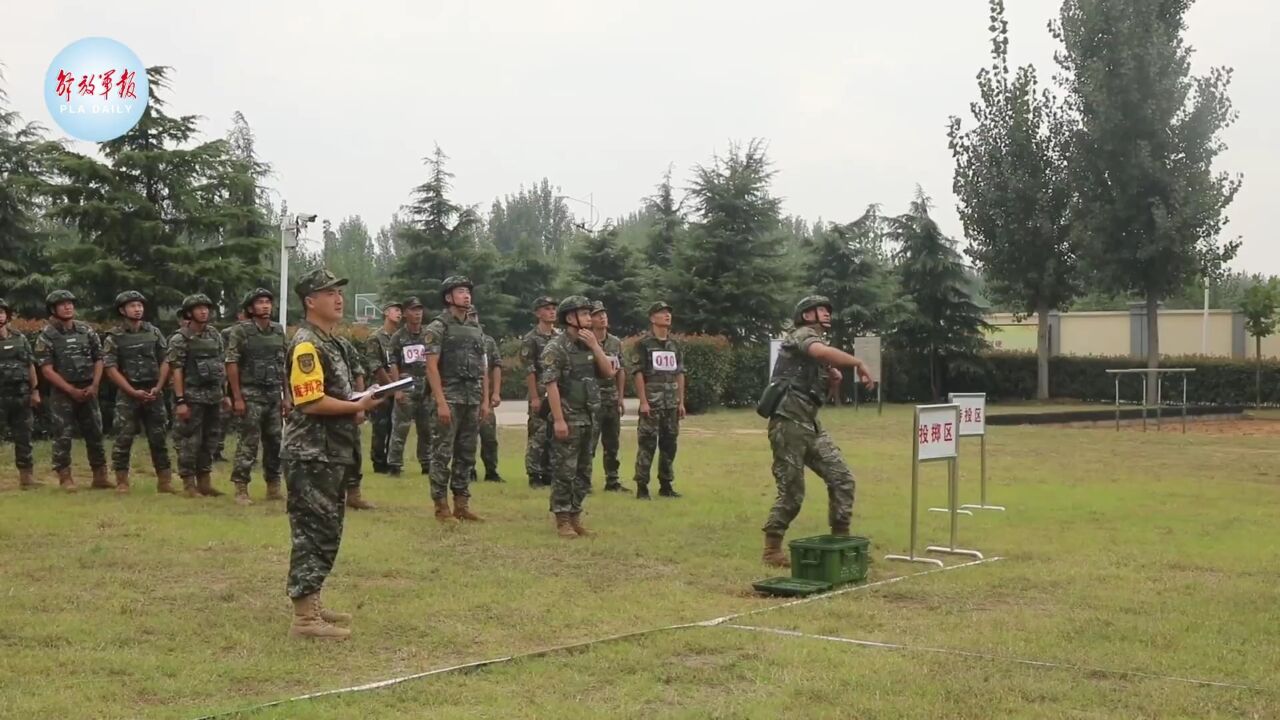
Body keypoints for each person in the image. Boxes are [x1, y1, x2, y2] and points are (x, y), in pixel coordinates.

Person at [282, 268, 384, 640]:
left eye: (340, 291)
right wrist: (359, 406)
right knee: (312, 532)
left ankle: (313, 603)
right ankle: (305, 619)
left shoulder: (332, 342)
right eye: (328, 292)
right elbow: (309, 401)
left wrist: (358, 403)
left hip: (329, 451)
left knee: (326, 530)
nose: (338, 298)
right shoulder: (307, 344)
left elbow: (334, 396)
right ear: (310, 301)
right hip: (311, 453)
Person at [760, 295, 875, 568]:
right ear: (807, 315)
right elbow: (820, 352)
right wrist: (858, 363)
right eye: (820, 309)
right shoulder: (802, 335)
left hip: (810, 424)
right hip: (788, 422)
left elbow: (821, 382)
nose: (826, 313)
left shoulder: (816, 348)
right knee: (792, 491)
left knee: (842, 478)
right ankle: (772, 548)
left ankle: (841, 539)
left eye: (827, 310)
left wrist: (832, 378)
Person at [542, 296, 615, 537]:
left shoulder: (589, 344)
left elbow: (608, 374)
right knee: (565, 470)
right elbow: (551, 385)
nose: (590, 318)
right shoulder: (556, 347)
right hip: (568, 417)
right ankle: (562, 518)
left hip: (589, 417)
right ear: (570, 318)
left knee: (583, 470)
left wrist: (596, 346)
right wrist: (559, 419)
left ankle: (575, 516)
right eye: (584, 314)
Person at [423, 276, 490, 522]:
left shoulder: (475, 328)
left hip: (472, 399)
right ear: (449, 297)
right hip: (449, 398)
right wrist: (440, 402)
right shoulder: (437, 327)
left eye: (468, 291)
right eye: (460, 291)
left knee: (467, 453)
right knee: (442, 453)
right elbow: (431, 367)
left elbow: (483, 366)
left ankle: (461, 504)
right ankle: (441, 507)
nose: (466, 295)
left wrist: (484, 401)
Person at [35, 290, 108, 492]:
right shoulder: (47, 336)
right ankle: (65, 477)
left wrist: (94, 385)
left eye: (70, 303)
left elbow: (99, 358)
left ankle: (100, 475)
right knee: (63, 435)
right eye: (62, 304)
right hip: (62, 393)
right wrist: (70, 390)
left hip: (88, 389)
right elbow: (47, 370)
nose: (68, 307)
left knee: (95, 432)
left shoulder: (86, 330)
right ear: (53, 309)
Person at [103, 290, 173, 494]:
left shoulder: (154, 332)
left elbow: (166, 360)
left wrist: (158, 387)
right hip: (128, 394)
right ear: (122, 310)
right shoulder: (114, 336)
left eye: (140, 305)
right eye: (133, 306)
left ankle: (165, 481)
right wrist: (132, 391)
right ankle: (122, 481)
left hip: (153, 392)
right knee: (123, 438)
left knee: (158, 438)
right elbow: (110, 368)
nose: (138, 309)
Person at [225, 289, 286, 506]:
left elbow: (283, 366)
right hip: (250, 395)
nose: (265, 306)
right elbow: (231, 363)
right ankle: (241, 487)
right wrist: (237, 397)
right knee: (249, 442)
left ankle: (274, 486)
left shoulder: (278, 331)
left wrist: (286, 397)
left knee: (275, 442)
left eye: (268, 302)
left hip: (273, 394)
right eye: (260, 302)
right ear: (251, 308)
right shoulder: (241, 332)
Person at [167, 294, 230, 498]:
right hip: (191, 397)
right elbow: (176, 370)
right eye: (198, 308)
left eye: (206, 308)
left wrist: (225, 394)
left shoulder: (214, 335)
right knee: (188, 441)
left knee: (210, 440)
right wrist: (180, 400)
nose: (204, 311)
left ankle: (205, 482)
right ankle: (188, 484)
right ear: (189, 313)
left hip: (213, 396)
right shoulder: (180, 338)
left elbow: (222, 366)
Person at [626, 301, 686, 499]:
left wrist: (681, 401)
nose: (667, 315)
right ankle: (642, 486)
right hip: (652, 402)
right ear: (653, 318)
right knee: (647, 444)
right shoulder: (643, 345)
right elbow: (638, 374)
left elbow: (679, 374)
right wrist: (643, 401)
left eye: (669, 312)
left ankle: (666, 485)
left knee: (670, 445)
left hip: (671, 403)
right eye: (662, 313)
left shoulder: (674, 345)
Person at [387, 297, 431, 477]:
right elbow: (393, 363)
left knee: (426, 427)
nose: (418, 313)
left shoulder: (428, 335)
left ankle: (427, 462)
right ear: (405, 313)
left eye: (419, 309)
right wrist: (397, 389)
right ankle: (395, 464)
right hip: (407, 385)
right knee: (401, 427)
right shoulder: (398, 337)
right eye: (413, 310)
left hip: (426, 386)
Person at [0, 298, 41, 490]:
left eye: (1, 312)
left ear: (6, 315)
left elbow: (30, 365)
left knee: (24, 436)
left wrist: (35, 391)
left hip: (21, 396)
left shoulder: (19, 338)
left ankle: (27, 477)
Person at [588, 300, 626, 492]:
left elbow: (621, 370)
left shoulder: (615, 342)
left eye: (604, 313)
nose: (602, 317)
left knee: (612, 443)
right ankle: (584, 481)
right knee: (589, 443)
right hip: (592, 399)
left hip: (611, 399)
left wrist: (620, 397)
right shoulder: (585, 342)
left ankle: (613, 480)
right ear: (590, 320)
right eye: (597, 314)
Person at [520, 297, 558, 488]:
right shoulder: (531, 339)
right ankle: (534, 473)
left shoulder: (559, 337)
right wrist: (534, 396)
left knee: (554, 434)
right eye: (547, 309)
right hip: (540, 392)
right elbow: (529, 370)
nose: (552, 312)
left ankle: (550, 472)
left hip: (556, 393)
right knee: (538, 434)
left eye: (553, 308)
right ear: (538, 313)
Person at [336, 332, 376, 510]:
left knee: (353, 451)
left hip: (349, 403)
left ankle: (354, 495)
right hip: (326, 405)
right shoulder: (308, 342)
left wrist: (360, 404)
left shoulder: (343, 344)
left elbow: (358, 372)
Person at [363, 299, 402, 473]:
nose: (399, 313)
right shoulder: (375, 337)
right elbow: (375, 365)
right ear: (386, 313)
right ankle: (378, 461)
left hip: (398, 386)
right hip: (381, 388)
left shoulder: (400, 337)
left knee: (395, 426)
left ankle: (391, 460)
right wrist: (390, 386)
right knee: (381, 426)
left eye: (400, 311)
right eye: (395, 310)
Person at [214, 311, 247, 463]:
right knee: (223, 417)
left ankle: (245, 453)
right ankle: (216, 449)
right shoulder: (228, 333)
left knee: (246, 420)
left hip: (248, 379)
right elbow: (222, 356)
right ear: (239, 315)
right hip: (228, 377)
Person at [478, 321, 504, 482]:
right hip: (463, 396)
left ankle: (491, 471)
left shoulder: (487, 341)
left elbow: (496, 365)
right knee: (465, 439)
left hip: (484, 398)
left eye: (474, 316)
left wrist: (496, 392)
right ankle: (468, 471)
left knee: (489, 438)